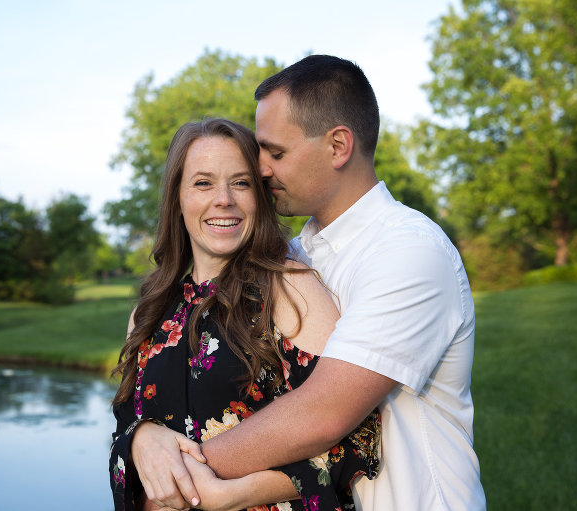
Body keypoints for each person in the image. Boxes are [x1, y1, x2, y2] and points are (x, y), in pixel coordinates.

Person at [129, 56, 487, 510]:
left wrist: (176, 466)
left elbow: (322, 414)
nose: (260, 170)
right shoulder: (293, 257)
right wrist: (141, 436)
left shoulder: (409, 252)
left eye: (275, 153)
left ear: (338, 146)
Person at [108, 117, 382, 511]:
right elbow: (122, 431)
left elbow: (359, 433)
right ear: (178, 198)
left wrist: (238, 494)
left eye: (241, 182)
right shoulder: (149, 312)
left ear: (260, 195)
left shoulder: (288, 287)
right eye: (203, 183)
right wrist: (140, 437)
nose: (224, 199)